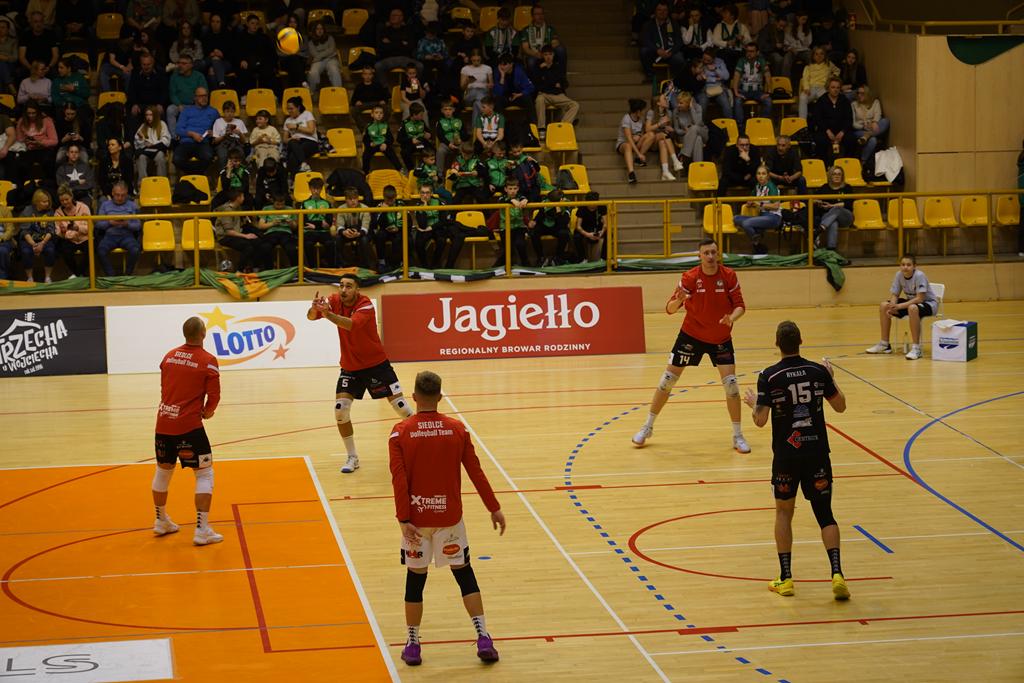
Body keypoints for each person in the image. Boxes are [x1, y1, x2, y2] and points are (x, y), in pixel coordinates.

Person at [390, 369, 505, 667]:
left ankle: (413, 645)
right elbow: (475, 471)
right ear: (440, 397)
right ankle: (483, 638)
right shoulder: (457, 429)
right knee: (464, 574)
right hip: (450, 518)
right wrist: (493, 506)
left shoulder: (400, 433)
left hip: (416, 521)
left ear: (414, 397)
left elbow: (399, 479)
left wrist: (403, 518)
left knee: (415, 580)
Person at [742, 320, 850, 601]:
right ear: (801, 341)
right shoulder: (818, 372)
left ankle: (786, 578)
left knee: (783, 513)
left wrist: (753, 404)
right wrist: (832, 378)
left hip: (787, 456)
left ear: (776, 344)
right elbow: (840, 406)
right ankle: (837, 574)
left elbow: (760, 421)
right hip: (817, 453)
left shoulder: (769, 376)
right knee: (825, 514)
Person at [633, 238, 750, 453]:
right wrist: (680, 300)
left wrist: (732, 318)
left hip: (720, 338)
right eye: (706, 253)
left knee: (732, 386)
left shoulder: (729, 276)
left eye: (714, 252)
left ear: (718, 254)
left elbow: (740, 306)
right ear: (699, 256)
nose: (711, 256)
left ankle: (738, 435)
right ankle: (647, 427)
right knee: (666, 381)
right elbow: (669, 309)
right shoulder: (689, 277)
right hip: (691, 336)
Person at [308, 274, 415, 474]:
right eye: (341, 285)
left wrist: (327, 314)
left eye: (349, 286)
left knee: (401, 407)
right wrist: (315, 308)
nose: (343, 290)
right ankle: (352, 457)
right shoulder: (334, 300)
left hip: (376, 365)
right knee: (340, 410)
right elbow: (311, 317)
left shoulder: (365, 305)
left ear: (357, 290)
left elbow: (350, 324)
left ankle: (423, 439)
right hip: (350, 367)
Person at [153, 316, 224, 546]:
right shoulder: (208, 361)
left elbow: (165, 386)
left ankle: (161, 521)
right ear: (203, 334)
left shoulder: (168, 356)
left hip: (163, 424)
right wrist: (208, 411)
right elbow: (214, 395)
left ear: (185, 333)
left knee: (163, 472)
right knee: (204, 474)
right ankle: (202, 530)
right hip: (190, 427)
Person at [865, 254, 938, 361]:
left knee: (912, 308)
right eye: (903, 264)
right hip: (911, 303)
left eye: (908, 265)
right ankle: (885, 345)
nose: (905, 267)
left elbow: (919, 299)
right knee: (884, 306)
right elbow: (895, 294)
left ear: (914, 266)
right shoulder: (899, 275)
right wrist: (892, 307)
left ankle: (916, 348)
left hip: (929, 304)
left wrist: (899, 306)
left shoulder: (919, 275)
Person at [531, 44, 579, 141]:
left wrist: (549, 81)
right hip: (544, 94)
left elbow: (565, 83)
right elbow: (537, 84)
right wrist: (554, 82)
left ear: (553, 55)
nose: (548, 57)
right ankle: (541, 129)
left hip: (557, 95)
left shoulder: (557, 67)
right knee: (539, 99)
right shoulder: (538, 67)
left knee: (575, 105)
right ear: (542, 56)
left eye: (550, 54)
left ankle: (562, 126)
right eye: (546, 55)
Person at [96, 182, 142, 276]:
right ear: (112, 193)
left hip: (127, 236)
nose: (120, 198)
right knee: (100, 251)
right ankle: (111, 276)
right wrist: (109, 223)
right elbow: (98, 224)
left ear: (127, 194)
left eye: (123, 195)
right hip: (110, 236)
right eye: (117, 195)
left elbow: (138, 225)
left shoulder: (132, 205)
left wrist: (127, 224)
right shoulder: (105, 205)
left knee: (135, 250)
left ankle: (127, 275)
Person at [214, 188, 264, 273]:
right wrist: (246, 236)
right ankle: (239, 270)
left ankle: (254, 267)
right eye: (243, 196)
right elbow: (229, 232)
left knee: (257, 241)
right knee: (247, 247)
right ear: (238, 198)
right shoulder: (227, 210)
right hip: (225, 237)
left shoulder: (237, 207)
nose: (244, 198)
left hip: (236, 233)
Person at [734, 165, 781, 254]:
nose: (761, 176)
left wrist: (759, 204)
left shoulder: (771, 187)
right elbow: (751, 199)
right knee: (736, 218)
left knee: (746, 223)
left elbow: (776, 206)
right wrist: (749, 202)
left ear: (768, 176)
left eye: (763, 174)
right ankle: (757, 238)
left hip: (773, 217)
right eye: (759, 174)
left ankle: (757, 244)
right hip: (761, 216)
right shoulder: (757, 186)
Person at [173, 87, 218, 175]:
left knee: (209, 157)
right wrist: (192, 134)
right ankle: (196, 175)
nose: (204, 98)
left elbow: (220, 127)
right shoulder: (186, 111)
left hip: (203, 143)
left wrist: (213, 132)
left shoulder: (213, 112)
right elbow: (178, 130)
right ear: (195, 98)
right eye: (201, 96)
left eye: (206, 96)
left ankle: (192, 175)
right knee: (177, 159)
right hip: (186, 142)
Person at [18, 189, 55, 283]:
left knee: (50, 250)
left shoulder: (50, 211)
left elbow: (51, 230)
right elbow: (25, 231)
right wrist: (34, 244)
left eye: (48, 201)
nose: (47, 203)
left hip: (45, 240)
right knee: (26, 252)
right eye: (44, 201)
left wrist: (42, 243)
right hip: (29, 240)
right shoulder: (27, 210)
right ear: (36, 202)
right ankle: (30, 277)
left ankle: (48, 277)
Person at [53, 185, 90, 278]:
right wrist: (63, 232)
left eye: (67, 199)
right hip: (69, 240)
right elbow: (58, 232)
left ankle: (76, 275)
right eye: (62, 200)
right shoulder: (57, 213)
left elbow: (89, 228)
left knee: (91, 250)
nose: (65, 202)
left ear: (71, 197)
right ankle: (80, 275)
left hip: (85, 238)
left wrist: (77, 228)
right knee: (65, 252)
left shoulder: (83, 207)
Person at [731, 42, 771, 125]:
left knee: (768, 101)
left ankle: (762, 124)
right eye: (747, 51)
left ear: (757, 52)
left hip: (758, 91)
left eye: (752, 51)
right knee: (737, 101)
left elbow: (767, 75)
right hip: (743, 91)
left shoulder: (761, 61)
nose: (749, 53)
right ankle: (740, 126)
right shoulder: (741, 61)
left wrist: (769, 92)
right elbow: (736, 76)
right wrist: (736, 92)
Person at [647, 93, 684, 181]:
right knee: (663, 136)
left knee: (663, 142)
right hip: (651, 140)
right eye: (664, 99)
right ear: (658, 103)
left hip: (662, 139)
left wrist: (670, 129)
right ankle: (675, 161)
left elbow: (670, 130)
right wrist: (659, 124)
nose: (667, 100)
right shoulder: (651, 112)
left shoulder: (668, 113)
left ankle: (665, 172)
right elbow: (647, 129)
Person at [618, 98, 653, 185]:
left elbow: (642, 132)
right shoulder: (626, 119)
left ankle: (638, 160)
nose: (645, 112)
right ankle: (631, 173)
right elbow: (629, 139)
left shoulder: (640, 118)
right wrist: (639, 153)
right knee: (628, 145)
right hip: (624, 144)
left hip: (636, 143)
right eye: (643, 110)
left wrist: (640, 136)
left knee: (651, 135)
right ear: (638, 111)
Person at [851, 86, 889, 165]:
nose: (859, 95)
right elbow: (853, 123)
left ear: (867, 94)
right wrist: (863, 126)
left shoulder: (875, 102)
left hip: (873, 127)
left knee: (885, 121)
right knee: (873, 140)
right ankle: (863, 161)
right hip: (860, 130)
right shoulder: (854, 104)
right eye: (858, 93)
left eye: (862, 93)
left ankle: (867, 136)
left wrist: (875, 122)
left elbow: (878, 114)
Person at [282, 96, 319, 178]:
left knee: (292, 157)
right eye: (288, 109)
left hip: (310, 142)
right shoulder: (288, 120)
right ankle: (304, 164)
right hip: (295, 142)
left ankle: (292, 179)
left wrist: (296, 127)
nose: (289, 111)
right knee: (292, 143)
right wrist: (291, 138)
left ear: (298, 107)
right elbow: (284, 139)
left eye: (291, 108)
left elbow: (311, 130)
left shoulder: (307, 114)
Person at [671, 91, 708, 168]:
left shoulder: (697, 108)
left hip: (702, 132)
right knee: (698, 139)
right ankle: (697, 169)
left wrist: (691, 109)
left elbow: (698, 123)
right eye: (678, 102)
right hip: (686, 136)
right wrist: (685, 131)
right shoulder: (676, 111)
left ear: (688, 103)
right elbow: (677, 129)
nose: (678, 105)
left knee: (694, 128)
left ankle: (683, 154)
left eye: (681, 103)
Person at [134, 106, 171, 180]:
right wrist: (142, 140)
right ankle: (142, 182)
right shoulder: (143, 126)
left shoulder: (162, 124)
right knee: (141, 157)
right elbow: (137, 141)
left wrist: (153, 144)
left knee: (160, 156)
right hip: (146, 151)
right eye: (147, 115)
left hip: (157, 150)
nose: (148, 117)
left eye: (151, 115)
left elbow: (166, 140)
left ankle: (161, 181)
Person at [307, 21, 343, 95]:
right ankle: (312, 92)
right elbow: (315, 54)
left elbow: (332, 50)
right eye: (317, 29)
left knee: (334, 70)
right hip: (318, 61)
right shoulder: (310, 42)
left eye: (321, 29)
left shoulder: (330, 38)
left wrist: (322, 55)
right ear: (314, 30)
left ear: (324, 30)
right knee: (313, 72)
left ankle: (338, 92)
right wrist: (327, 54)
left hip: (331, 59)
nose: (320, 31)